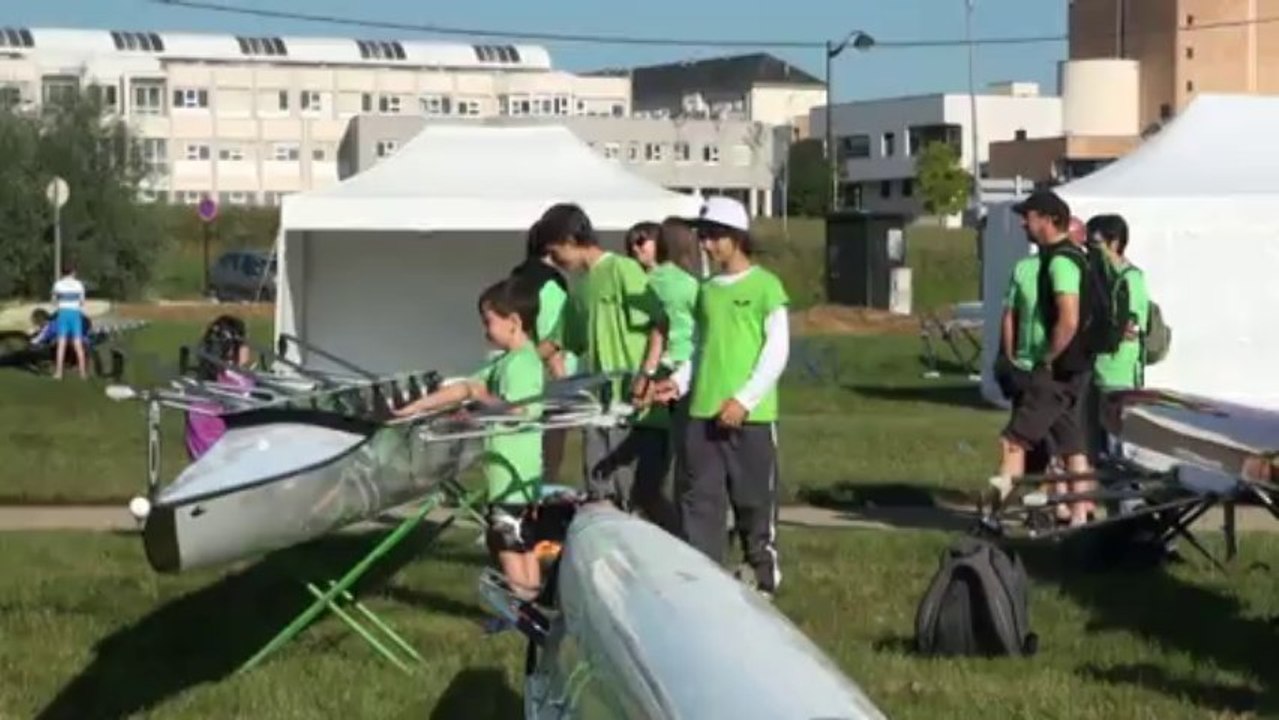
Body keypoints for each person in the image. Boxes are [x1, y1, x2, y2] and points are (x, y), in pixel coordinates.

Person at [655, 196, 790, 599]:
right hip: (702, 415)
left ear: (735, 237)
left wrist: (744, 400)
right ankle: (706, 582)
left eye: (714, 237)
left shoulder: (766, 287)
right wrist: (678, 382)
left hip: (750, 418)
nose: (707, 246)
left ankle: (763, 576)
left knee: (752, 500)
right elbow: (699, 347)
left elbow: (776, 351)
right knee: (701, 503)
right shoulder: (706, 291)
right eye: (703, 238)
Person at [391, 278, 545, 602]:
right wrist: (414, 409)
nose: (485, 330)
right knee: (519, 538)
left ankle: (523, 607)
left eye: (489, 322)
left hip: (513, 470)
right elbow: (464, 388)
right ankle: (534, 603)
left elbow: (520, 411)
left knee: (506, 539)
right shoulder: (504, 361)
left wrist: (484, 398)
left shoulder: (523, 364)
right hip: (511, 473)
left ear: (514, 322)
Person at [538, 203, 674, 529]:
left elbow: (660, 323)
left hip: (637, 409)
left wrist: (647, 374)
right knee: (600, 494)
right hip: (599, 409)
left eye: (556, 252)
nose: (554, 262)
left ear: (572, 239)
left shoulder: (623, 270)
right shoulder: (580, 288)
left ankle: (688, 548)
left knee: (643, 497)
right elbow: (556, 341)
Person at [990, 190, 1096, 527]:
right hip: (1075, 369)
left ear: (1049, 219)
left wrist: (1047, 358)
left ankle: (997, 515)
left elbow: (1069, 319)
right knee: (1072, 447)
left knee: (1013, 441)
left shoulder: (1061, 262)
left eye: (1029, 216)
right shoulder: (1076, 259)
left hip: (1056, 370)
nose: (1024, 222)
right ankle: (1080, 516)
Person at [510, 220, 573, 484]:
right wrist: (565, 386)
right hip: (548, 381)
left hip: (518, 375)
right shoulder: (550, 286)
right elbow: (553, 339)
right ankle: (545, 495)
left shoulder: (516, 279)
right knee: (549, 454)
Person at [1086, 214, 1149, 458]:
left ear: (1114, 243)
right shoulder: (1101, 277)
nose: (1090, 251)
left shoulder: (1130, 279)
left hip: (1119, 370)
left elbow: (1131, 327)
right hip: (1100, 366)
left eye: (1095, 244)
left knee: (1118, 436)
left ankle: (1125, 492)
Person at [185, 315, 255, 460]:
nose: (249, 347)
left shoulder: (240, 379)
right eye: (244, 342)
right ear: (230, 349)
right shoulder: (215, 388)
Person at [51, 266, 88, 380]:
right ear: (73, 272)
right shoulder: (79, 284)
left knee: (61, 344)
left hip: (63, 314)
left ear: (63, 273)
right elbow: (82, 302)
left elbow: (54, 301)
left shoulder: (58, 284)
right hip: (75, 314)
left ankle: (59, 373)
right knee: (78, 344)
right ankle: (82, 373)